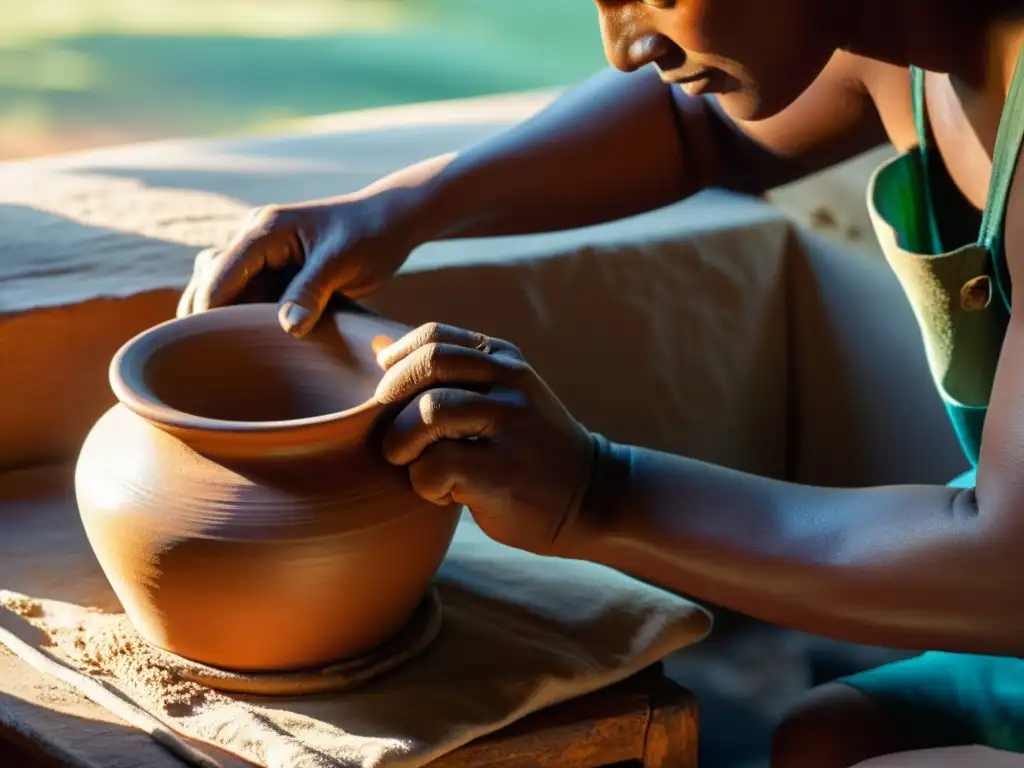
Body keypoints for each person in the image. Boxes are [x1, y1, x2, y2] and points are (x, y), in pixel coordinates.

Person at [178, 1, 1024, 766]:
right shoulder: (896, 39)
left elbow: (1005, 566)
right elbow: (702, 130)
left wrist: (597, 490)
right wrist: (401, 208)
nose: (623, 48)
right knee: (820, 737)